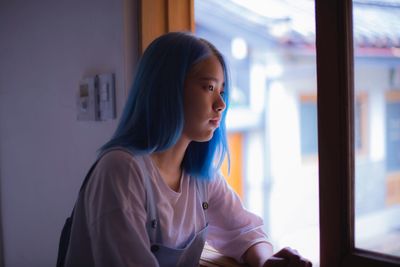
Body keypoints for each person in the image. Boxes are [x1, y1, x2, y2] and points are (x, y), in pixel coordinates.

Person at [63, 32, 312, 267]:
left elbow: (244, 231)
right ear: (167, 90)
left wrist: (267, 261)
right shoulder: (122, 170)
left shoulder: (200, 176)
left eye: (222, 91)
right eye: (209, 88)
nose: (221, 104)